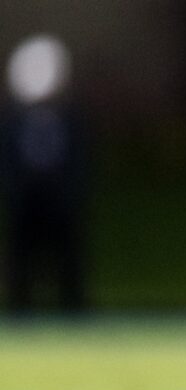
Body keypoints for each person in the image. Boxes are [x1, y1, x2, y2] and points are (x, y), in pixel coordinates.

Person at [0, 34, 88, 313]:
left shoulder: (71, 119)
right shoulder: (12, 122)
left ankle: (72, 306)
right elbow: (9, 160)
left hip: (59, 198)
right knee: (21, 255)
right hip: (26, 199)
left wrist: (71, 191)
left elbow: (79, 160)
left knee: (67, 254)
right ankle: (20, 306)